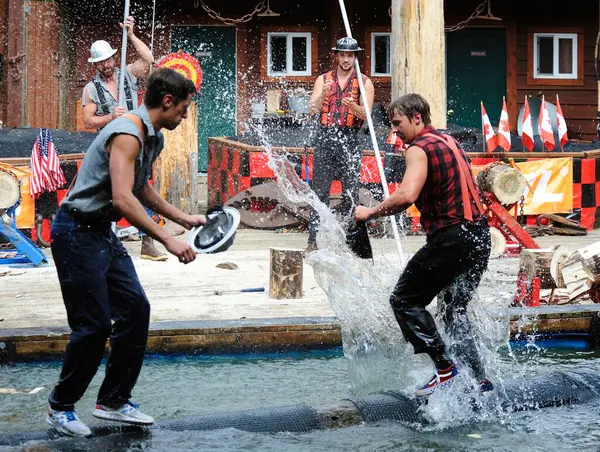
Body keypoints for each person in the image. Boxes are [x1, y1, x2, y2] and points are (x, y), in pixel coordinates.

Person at [46, 68, 203, 437]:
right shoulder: (127, 133)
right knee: (93, 325)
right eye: (183, 109)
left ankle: (114, 401)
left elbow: (141, 188)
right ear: (167, 102)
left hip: (101, 233)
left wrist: (182, 217)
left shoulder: (153, 138)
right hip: (75, 232)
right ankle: (60, 407)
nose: (184, 116)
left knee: (135, 309)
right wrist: (167, 238)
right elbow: (122, 198)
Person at [354, 93, 493, 396]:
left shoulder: (418, 148)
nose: (394, 131)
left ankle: (445, 369)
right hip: (479, 237)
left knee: (404, 300)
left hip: (452, 238)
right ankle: (479, 380)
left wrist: (371, 212)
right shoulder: (450, 141)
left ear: (417, 118)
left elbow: (406, 196)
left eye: (397, 123)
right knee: (454, 309)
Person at [82, 15, 169, 261]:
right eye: (100, 62)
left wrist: (130, 35)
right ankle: (107, 241)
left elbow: (148, 60)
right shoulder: (90, 89)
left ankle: (146, 241)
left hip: (135, 140)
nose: (106, 64)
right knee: (117, 192)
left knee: (138, 188)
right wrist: (110, 117)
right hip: (110, 147)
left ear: (113, 57)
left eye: (108, 59)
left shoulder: (127, 74)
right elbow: (88, 122)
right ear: (95, 65)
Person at [305, 37, 374, 253]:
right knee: (319, 192)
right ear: (336, 56)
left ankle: (350, 240)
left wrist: (353, 106)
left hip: (351, 138)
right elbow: (311, 110)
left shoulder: (365, 82)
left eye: (350, 55)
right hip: (326, 138)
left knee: (350, 193)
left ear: (355, 57)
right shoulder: (323, 79)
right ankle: (313, 240)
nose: (346, 59)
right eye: (342, 55)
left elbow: (367, 116)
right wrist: (323, 95)